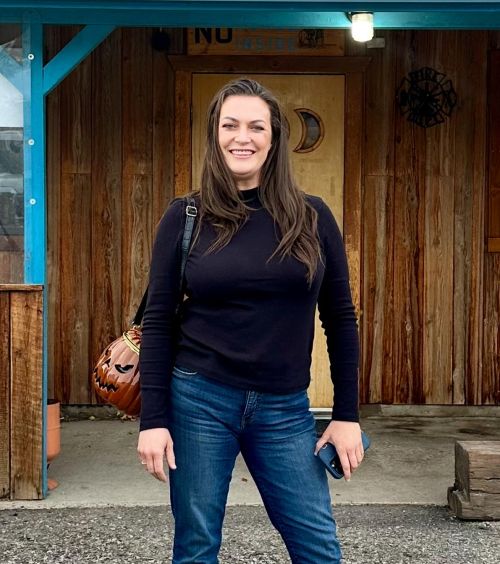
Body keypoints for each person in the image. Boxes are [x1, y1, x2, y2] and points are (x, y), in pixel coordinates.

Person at [137, 77, 363, 564]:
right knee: (197, 546)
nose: (243, 137)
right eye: (230, 125)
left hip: (285, 409)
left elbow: (341, 319)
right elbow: (157, 321)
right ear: (215, 135)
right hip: (199, 400)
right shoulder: (186, 216)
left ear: (274, 138)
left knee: (318, 547)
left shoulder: (312, 217)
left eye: (257, 126)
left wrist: (346, 415)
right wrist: (153, 420)